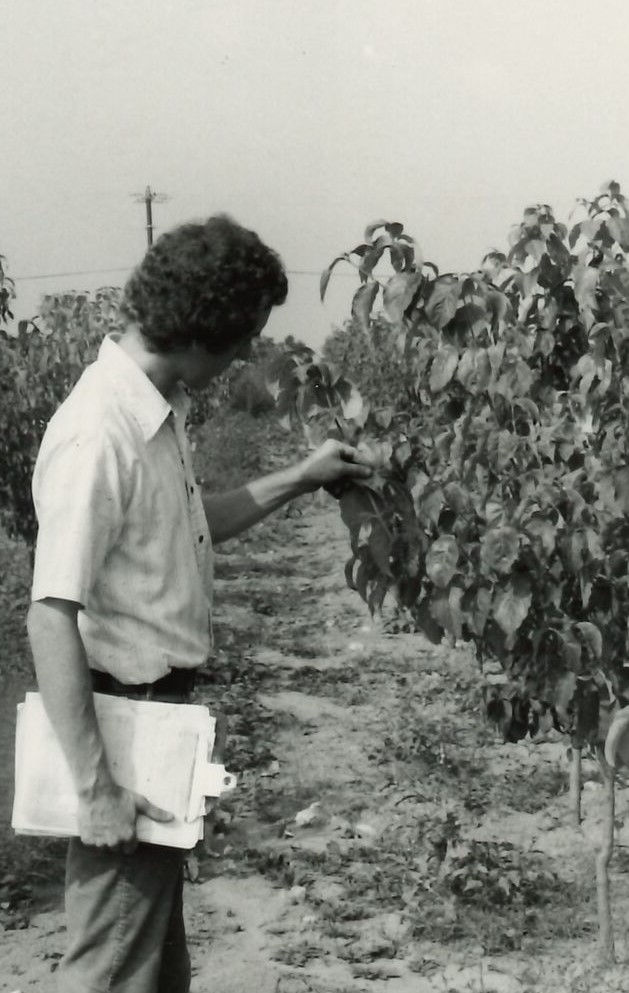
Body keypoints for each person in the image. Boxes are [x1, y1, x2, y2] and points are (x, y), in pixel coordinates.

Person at [25, 214, 371, 993]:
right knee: (112, 968)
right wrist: (96, 788)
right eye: (244, 334)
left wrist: (300, 476)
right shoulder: (99, 433)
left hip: (158, 722)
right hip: (123, 726)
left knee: (152, 965)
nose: (248, 351)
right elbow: (50, 614)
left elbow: (190, 525)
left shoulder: (153, 408)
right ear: (201, 331)